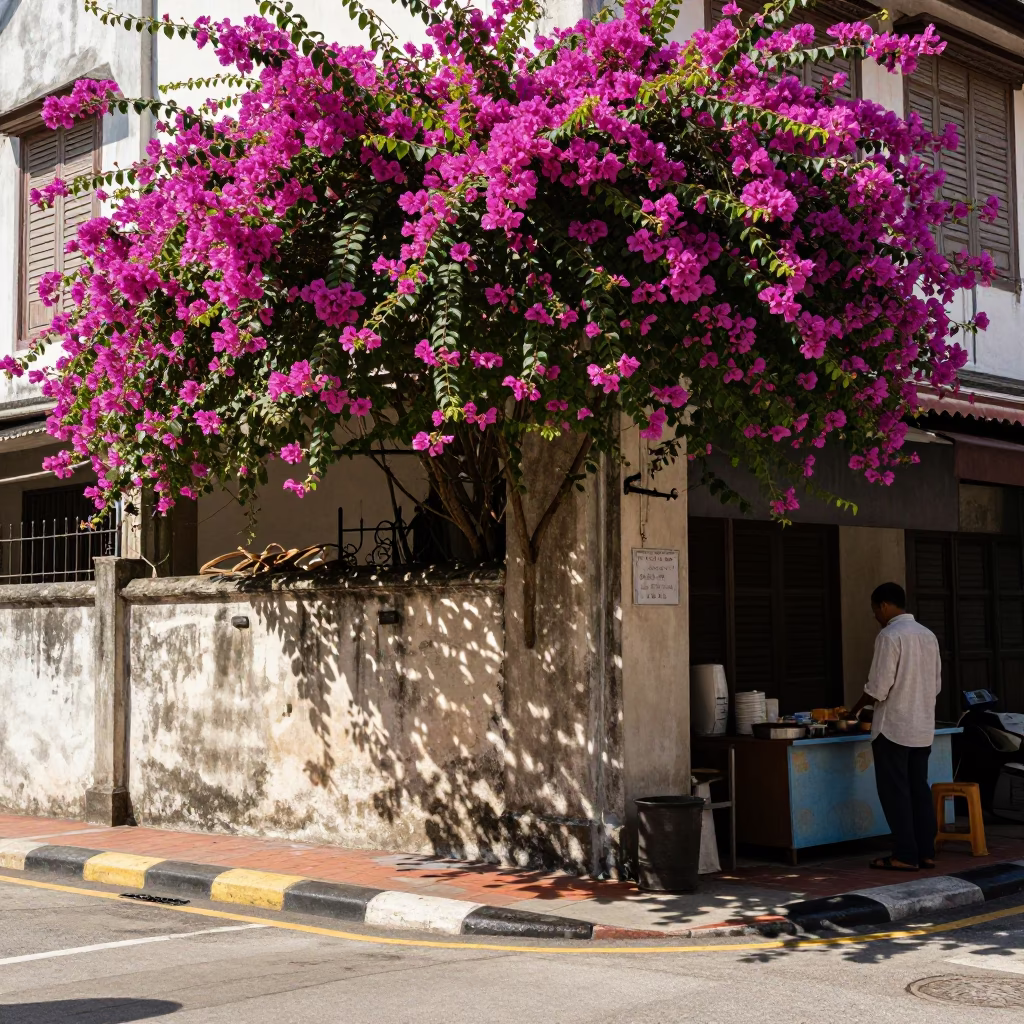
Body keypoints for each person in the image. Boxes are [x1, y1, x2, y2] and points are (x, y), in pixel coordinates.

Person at [850, 582, 943, 872]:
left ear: (884, 606)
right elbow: (936, 685)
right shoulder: (928, 636)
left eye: (874, 611)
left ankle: (904, 853)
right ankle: (925, 852)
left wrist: (854, 709)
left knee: (895, 792)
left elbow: (879, 687)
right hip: (922, 727)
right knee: (919, 790)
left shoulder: (889, 636)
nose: (876, 616)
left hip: (893, 728)